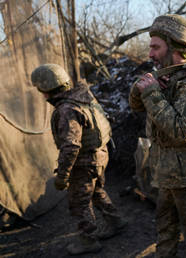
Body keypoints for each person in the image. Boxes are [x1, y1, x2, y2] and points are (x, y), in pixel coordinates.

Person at [129, 14, 186, 258]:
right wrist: (145, 88)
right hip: (167, 173)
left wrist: (152, 94)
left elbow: (181, 130)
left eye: (155, 47)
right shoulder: (168, 79)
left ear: (176, 48)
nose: (150, 54)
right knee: (165, 231)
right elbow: (138, 106)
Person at [31, 64, 126, 255]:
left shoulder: (66, 109)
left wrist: (63, 176)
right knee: (97, 191)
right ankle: (116, 221)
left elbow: (71, 146)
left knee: (79, 202)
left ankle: (88, 240)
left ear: (47, 89)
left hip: (85, 162)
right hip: (100, 155)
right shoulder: (84, 98)